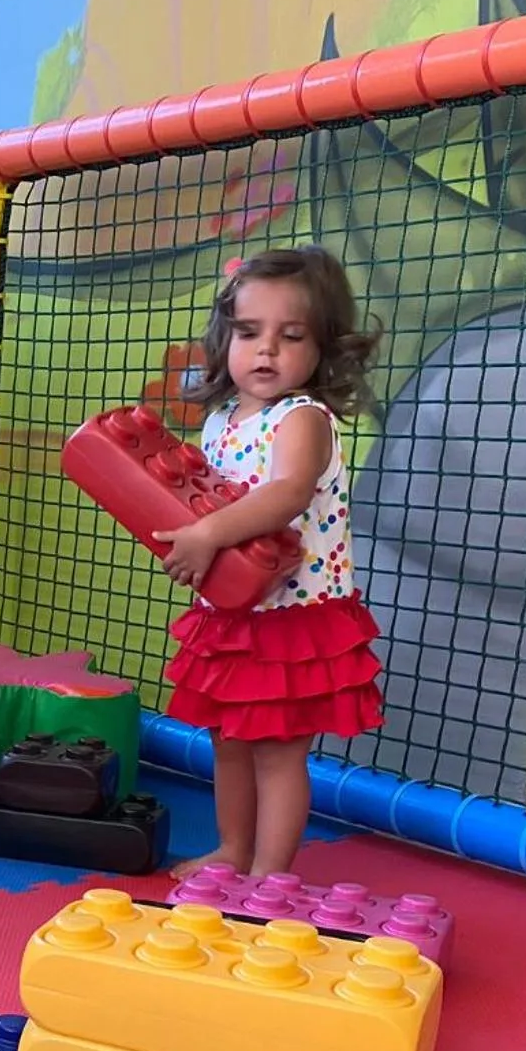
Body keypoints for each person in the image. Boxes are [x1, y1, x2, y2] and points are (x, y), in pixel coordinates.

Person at [153, 246, 385, 879]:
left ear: (323, 347)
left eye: (290, 336)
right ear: (224, 335)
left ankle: (270, 873)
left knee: (279, 753)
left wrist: (204, 534)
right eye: (249, 333)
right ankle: (232, 849)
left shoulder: (301, 417)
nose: (266, 351)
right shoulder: (224, 417)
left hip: (294, 618)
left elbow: (285, 495)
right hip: (233, 611)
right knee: (228, 743)